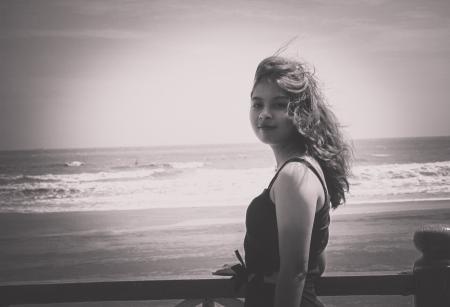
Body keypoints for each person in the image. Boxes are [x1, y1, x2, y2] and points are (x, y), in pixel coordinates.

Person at [216, 55, 351, 307]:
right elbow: (317, 265)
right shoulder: (304, 168)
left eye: (279, 104)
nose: (264, 114)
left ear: (302, 112)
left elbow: (296, 272)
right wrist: (254, 271)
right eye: (257, 104)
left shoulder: (294, 175)